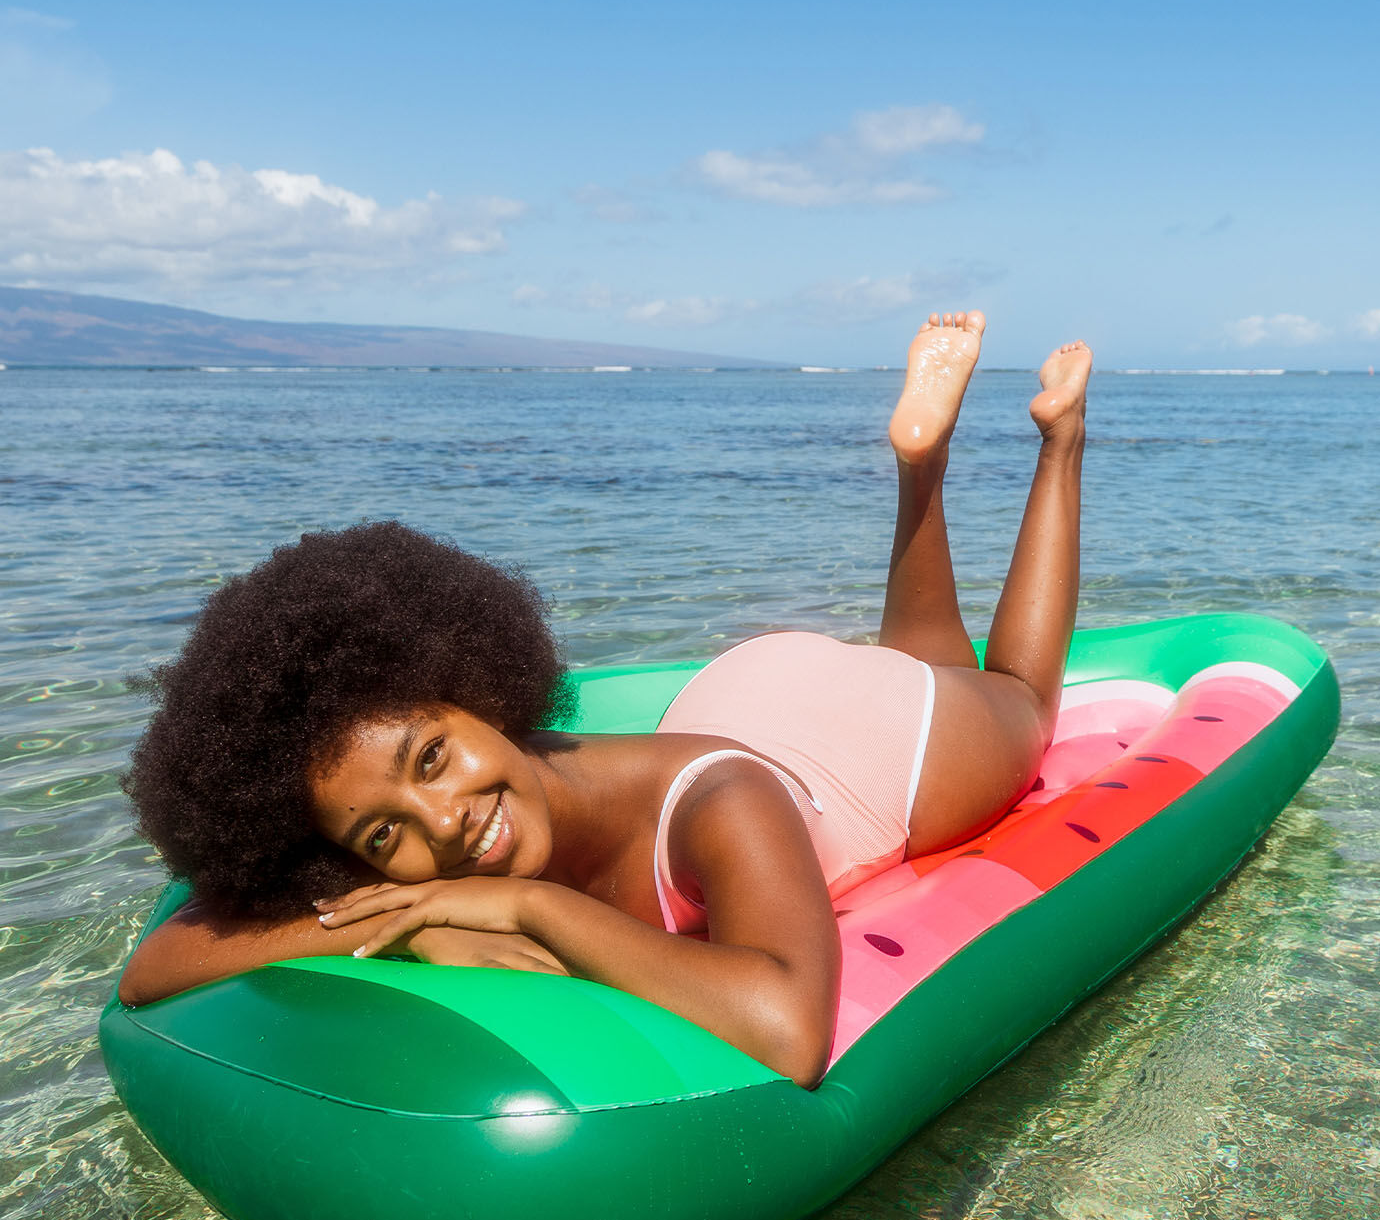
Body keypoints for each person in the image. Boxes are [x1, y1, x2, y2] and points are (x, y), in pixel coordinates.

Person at [118, 313, 1092, 1086]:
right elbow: (154, 966)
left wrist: (537, 910)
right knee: (921, 647)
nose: (442, 821)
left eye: (431, 757)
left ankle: (1059, 437)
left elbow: (788, 1032)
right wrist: (418, 919)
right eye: (382, 837)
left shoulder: (724, 801)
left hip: (874, 748)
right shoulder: (418, 817)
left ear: (473, 689)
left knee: (1012, 692)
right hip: (748, 684)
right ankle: (920, 461)